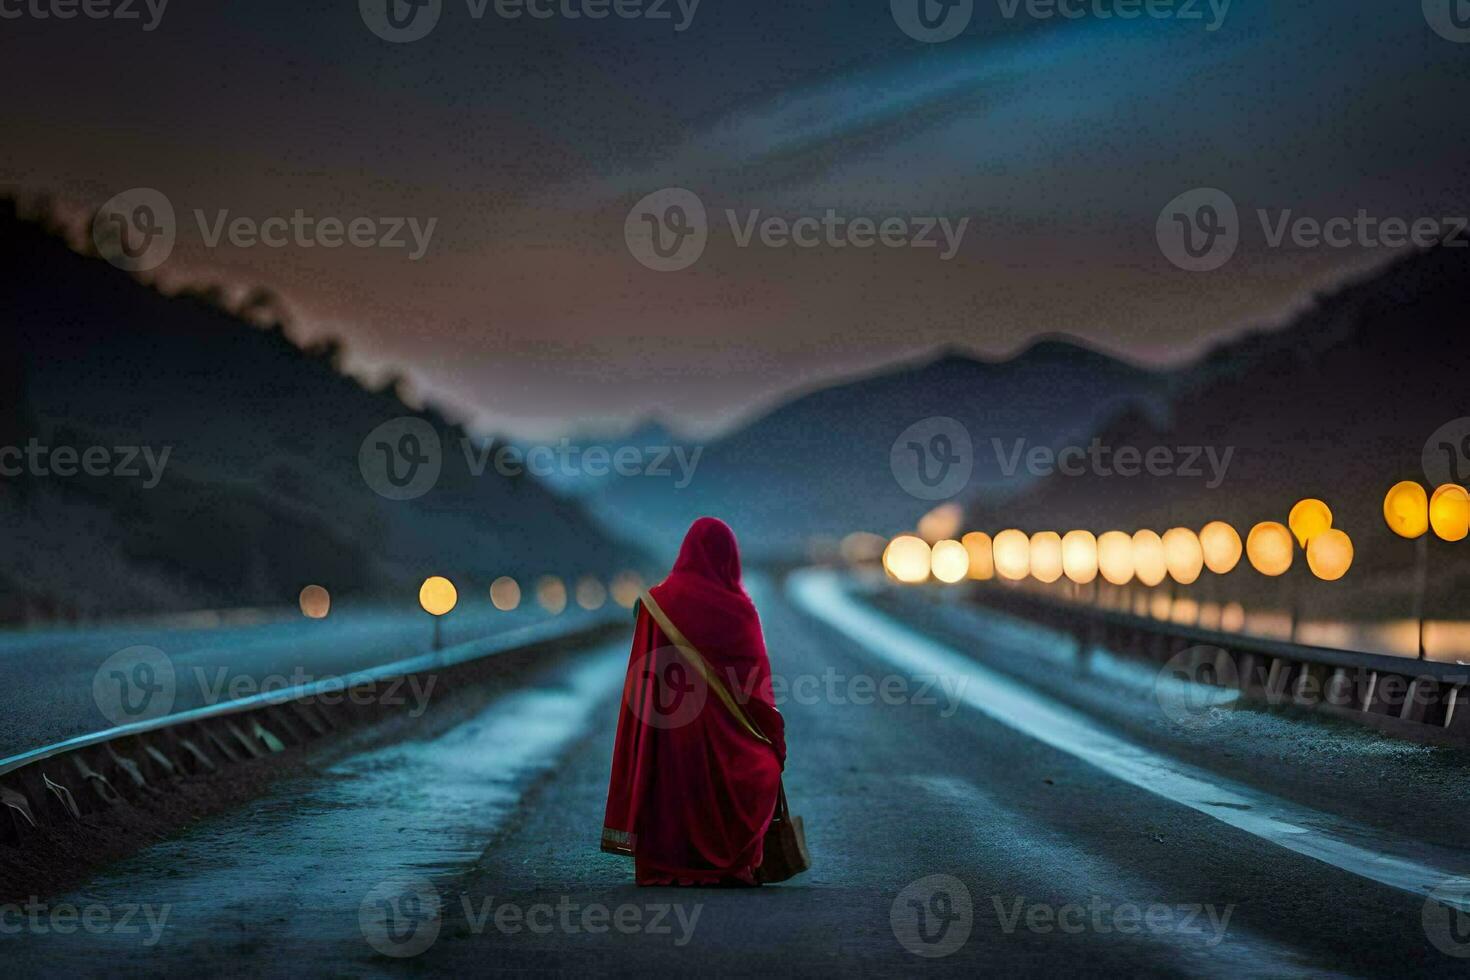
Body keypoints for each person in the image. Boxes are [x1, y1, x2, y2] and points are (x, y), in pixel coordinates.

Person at [601, 517, 786, 886]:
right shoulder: (741, 610)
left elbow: (645, 677)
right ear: (730, 558)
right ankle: (731, 865)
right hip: (730, 740)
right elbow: (757, 690)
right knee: (760, 768)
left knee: (670, 782)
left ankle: (672, 863)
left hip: (670, 737)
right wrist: (770, 737)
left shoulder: (658, 603)